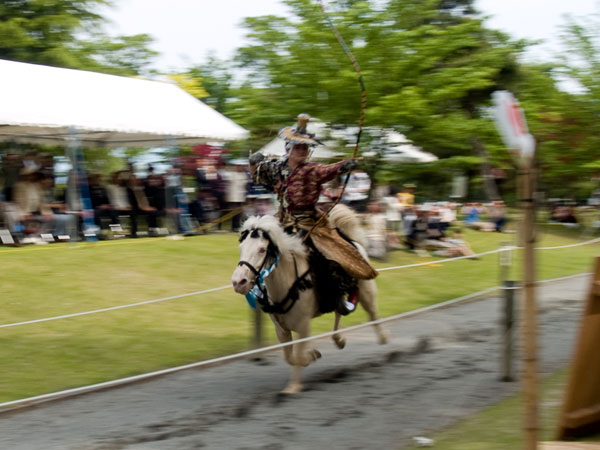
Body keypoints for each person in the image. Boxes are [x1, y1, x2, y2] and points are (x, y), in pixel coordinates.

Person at [249, 113, 377, 315]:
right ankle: (257, 286)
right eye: (298, 147)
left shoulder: (312, 170)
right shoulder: (276, 167)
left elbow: (329, 170)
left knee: (335, 253)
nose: (302, 151)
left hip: (310, 222)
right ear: (288, 148)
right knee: (255, 244)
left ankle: (343, 291)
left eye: (305, 147)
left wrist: (344, 165)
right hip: (281, 219)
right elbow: (257, 175)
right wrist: (254, 162)